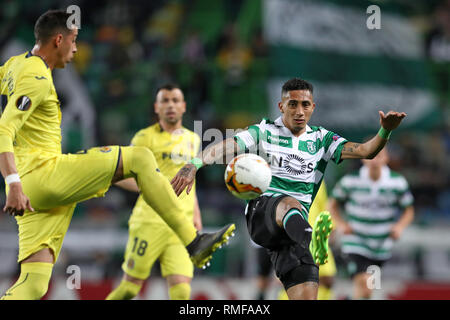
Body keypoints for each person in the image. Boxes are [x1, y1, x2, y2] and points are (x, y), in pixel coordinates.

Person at [0, 9, 234, 300]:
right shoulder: (36, 76)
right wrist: (13, 183)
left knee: (33, 284)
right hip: (41, 175)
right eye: (73, 41)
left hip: (33, 192)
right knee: (139, 158)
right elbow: (4, 128)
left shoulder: (13, 66)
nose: (76, 48)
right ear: (58, 39)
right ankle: (193, 241)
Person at [171, 77, 407, 300]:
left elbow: (365, 151)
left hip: (295, 232)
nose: (299, 111)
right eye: (292, 104)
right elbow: (228, 145)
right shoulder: (264, 132)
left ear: (313, 107)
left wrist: (385, 131)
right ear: (281, 106)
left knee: (307, 292)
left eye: (305, 104)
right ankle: (312, 239)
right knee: (287, 203)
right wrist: (195, 163)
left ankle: (308, 239)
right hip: (263, 215)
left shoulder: (322, 140)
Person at [106, 84, 203, 300]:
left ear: (184, 106)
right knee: (130, 289)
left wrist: (196, 214)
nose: (171, 105)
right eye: (165, 100)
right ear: (156, 107)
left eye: (175, 100)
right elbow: (121, 175)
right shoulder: (144, 138)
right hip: (150, 221)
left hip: (182, 225)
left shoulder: (192, 139)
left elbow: (190, 183)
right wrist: (153, 188)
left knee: (182, 291)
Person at [329, 147, 414, 299]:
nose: (375, 160)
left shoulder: (397, 183)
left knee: (366, 290)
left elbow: (409, 210)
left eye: (379, 156)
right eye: (371, 156)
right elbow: (332, 204)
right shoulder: (350, 181)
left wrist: (399, 227)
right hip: (356, 239)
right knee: (365, 282)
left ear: (386, 158)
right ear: (363, 158)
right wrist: (341, 225)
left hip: (381, 243)